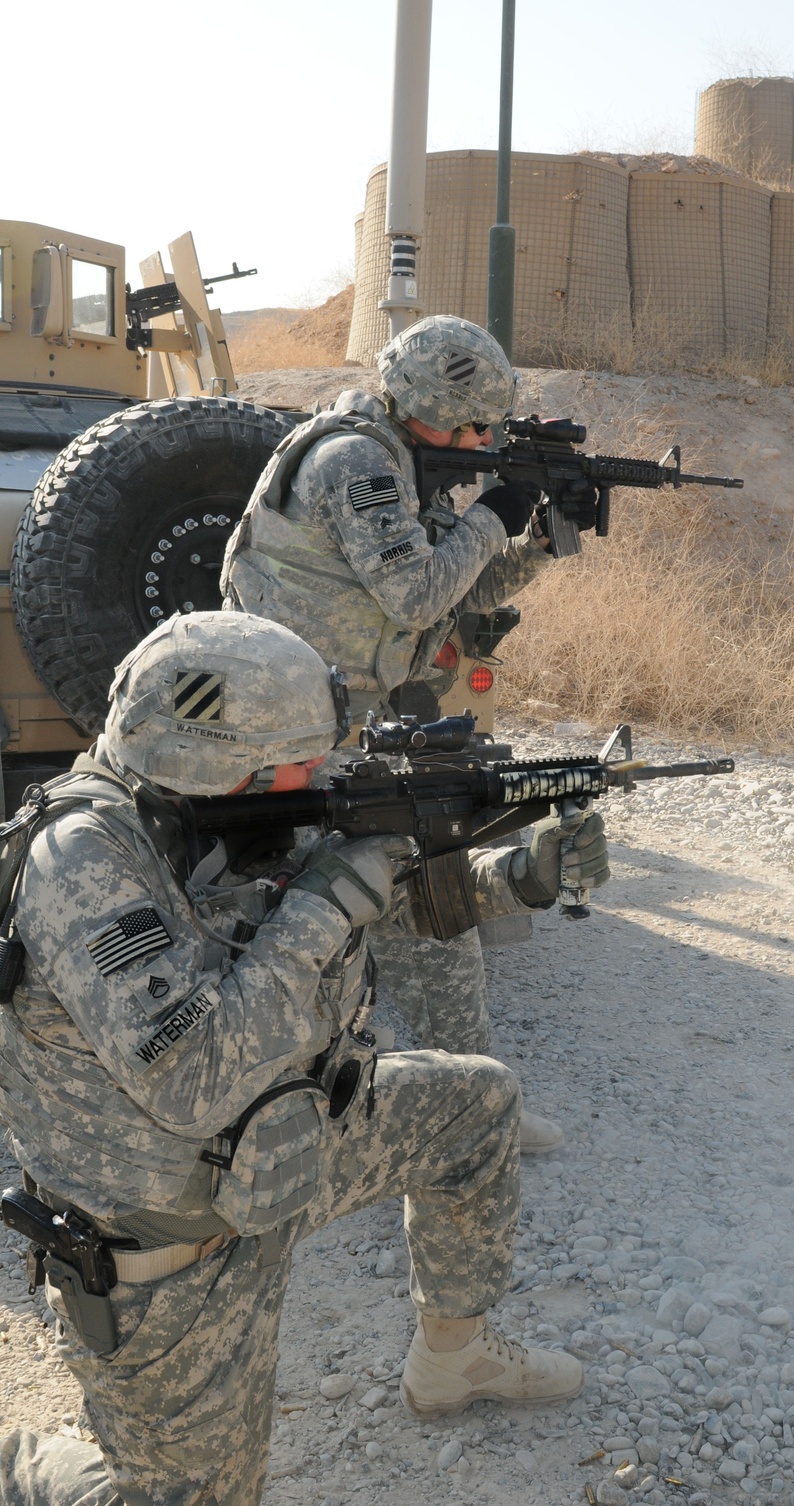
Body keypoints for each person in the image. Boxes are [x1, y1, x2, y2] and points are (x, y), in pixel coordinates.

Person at [0, 610, 609, 1506]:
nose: (321, 770)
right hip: (169, 1246)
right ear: (216, 761)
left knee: (475, 1108)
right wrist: (321, 908)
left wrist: (524, 875)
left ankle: (454, 1358)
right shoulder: (80, 863)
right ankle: (30, 1468)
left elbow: (393, 900)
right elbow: (198, 1077)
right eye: (298, 755)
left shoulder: (222, 808)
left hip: (288, 1145)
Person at [221, 314, 598, 1154]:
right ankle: (251, 1128)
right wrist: (497, 507)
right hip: (282, 737)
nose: (481, 437)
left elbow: (466, 585)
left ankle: (474, 1104)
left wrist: (539, 535)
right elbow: (418, 595)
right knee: (281, 934)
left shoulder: (400, 463)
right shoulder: (355, 462)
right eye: (472, 423)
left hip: (342, 726)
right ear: (426, 404)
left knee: (432, 909)